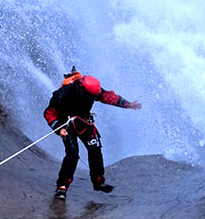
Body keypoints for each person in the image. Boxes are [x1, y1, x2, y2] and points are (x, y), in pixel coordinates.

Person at [43, 68, 141, 199]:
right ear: (81, 91)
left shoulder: (92, 91)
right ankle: (62, 187)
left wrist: (127, 104)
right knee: (72, 154)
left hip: (84, 121)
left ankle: (98, 182)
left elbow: (107, 96)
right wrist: (59, 129)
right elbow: (49, 113)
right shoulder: (62, 94)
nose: (94, 97)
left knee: (95, 149)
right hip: (65, 124)